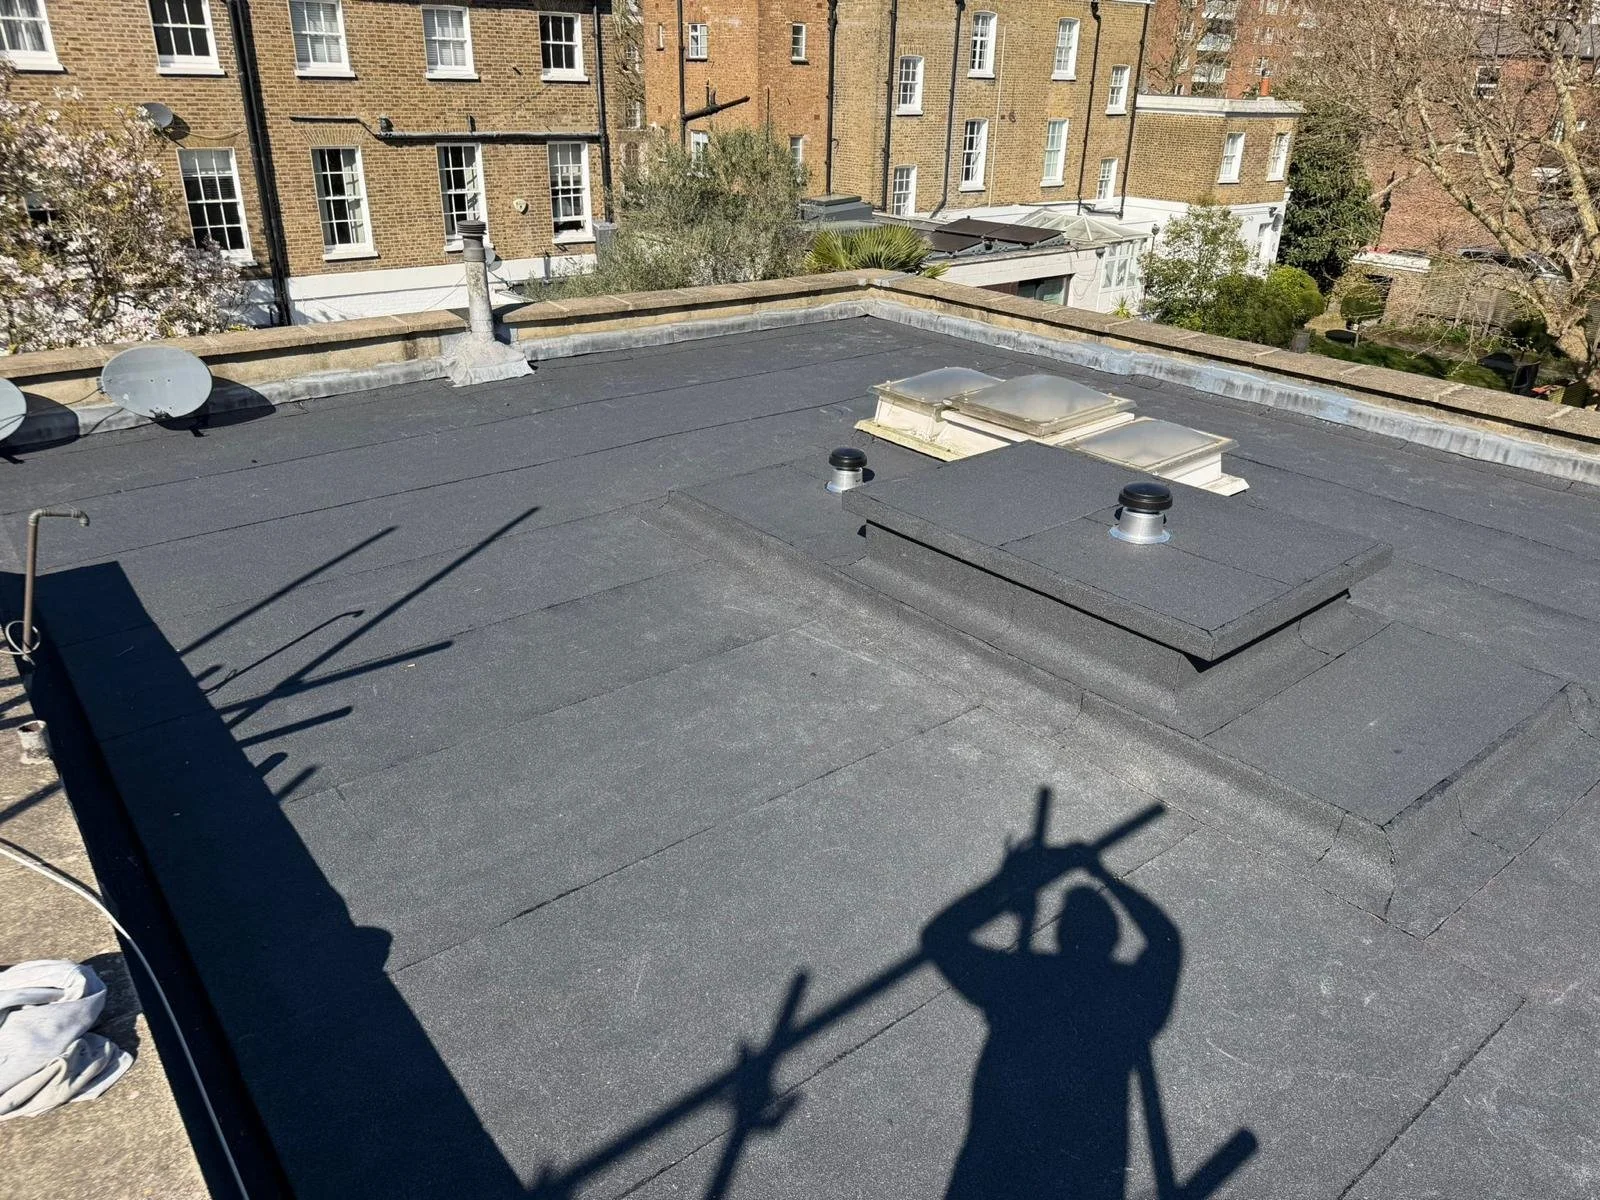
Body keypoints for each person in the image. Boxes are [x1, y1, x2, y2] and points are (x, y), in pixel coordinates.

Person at [921, 838, 1183, 1200]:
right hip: (1085, 1178)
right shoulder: (1126, 993)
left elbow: (940, 937)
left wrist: (1005, 884)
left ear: (1060, 933)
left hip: (995, 1169)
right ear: (1111, 938)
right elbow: (1166, 942)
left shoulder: (1022, 979)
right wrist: (1105, 875)